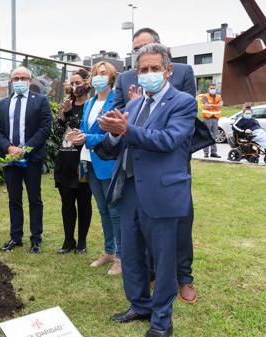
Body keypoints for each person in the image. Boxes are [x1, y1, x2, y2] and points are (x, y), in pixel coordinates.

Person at [99, 43, 196, 337]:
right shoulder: (133, 104)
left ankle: (161, 322)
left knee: (163, 259)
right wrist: (110, 135)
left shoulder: (183, 103)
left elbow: (168, 140)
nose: (149, 74)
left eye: (155, 68)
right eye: (143, 69)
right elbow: (119, 143)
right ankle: (140, 305)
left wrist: (126, 131)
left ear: (168, 70)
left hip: (162, 193)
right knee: (131, 254)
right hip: (129, 190)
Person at [69, 62, 121, 275]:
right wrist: (76, 135)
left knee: (115, 211)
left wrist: (87, 137)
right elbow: (84, 129)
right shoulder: (90, 102)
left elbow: (115, 134)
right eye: (95, 74)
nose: (99, 78)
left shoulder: (117, 101)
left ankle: (121, 256)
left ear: (110, 77)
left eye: (103, 74)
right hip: (89, 162)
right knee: (103, 210)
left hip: (108, 162)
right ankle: (109, 251)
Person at [0, 66, 52, 253]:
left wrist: (25, 149)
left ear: (30, 80)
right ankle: (15, 237)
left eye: (23, 78)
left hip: (32, 158)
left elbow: (44, 128)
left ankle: (36, 239)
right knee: (14, 199)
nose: (19, 81)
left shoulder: (41, 101)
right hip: (10, 158)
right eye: (16, 78)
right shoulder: (2, 104)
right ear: (11, 81)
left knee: (34, 199)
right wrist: (9, 148)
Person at [53, 69, 92, 255]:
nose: (75, 86)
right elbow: (57, 131)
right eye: (73, 83)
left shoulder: (91, 106)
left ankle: (82, 242)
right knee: (66, 203)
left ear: (87, 83)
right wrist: (63, 113)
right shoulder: (66, 104)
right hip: (64, 160)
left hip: (83, 162)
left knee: (83, 201)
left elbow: (80, 128)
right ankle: (68, 240)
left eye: (78, 82)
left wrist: (68, 115)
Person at [201, 84, 223, 158]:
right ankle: (206, 153)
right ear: (208, 89)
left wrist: (211, 105)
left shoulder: (218, 96)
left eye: (214, 88)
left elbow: (221, 105)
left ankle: (213, 153)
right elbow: (206, 105)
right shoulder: (205, 96)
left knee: (214, 136)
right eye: (211, 88)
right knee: (207, 135)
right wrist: (215, 105)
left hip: (215, 118)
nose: (213, 89)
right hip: (207, 118)